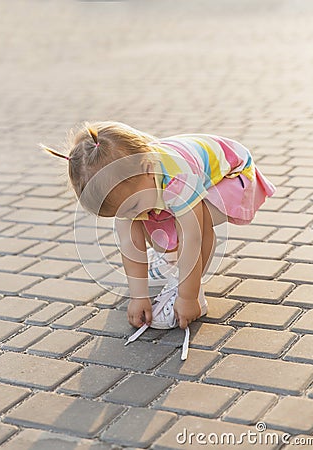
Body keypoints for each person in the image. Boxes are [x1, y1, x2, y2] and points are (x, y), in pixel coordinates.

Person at [40, 120, 276, 349]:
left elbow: (195, 238)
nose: (134, 214)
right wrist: (138, 296)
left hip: (234, 177)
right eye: (123, 212)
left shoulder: (178, 177)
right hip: (171, 186)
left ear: (148, 168)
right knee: (158, 235)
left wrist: (188, 297)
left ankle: (189, 287)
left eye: (133, 206)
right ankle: (171, 261)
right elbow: (129, 244)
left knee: (196, 221)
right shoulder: (136, 187)